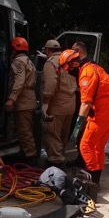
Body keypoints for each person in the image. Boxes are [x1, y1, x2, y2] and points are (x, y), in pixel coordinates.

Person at [59, 49, 109, 186]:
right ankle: (96, 179)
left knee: (85, 145)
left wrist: (77, 127)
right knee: (98, 146)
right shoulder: (95, 67)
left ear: (74, 63)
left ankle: (92, 179)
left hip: (101, 115)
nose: (68, 72)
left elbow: (86, 103)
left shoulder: (86, 74)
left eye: (68, 68)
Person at [40, 39, 77, 168]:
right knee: (63, 135)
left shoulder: (51, 63)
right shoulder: (70, 60)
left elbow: (50, 85)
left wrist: (45, 102)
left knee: (52, 134)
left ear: (47, 50)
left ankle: (56, 163)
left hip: (56, 106)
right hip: (70, 105)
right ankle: (61, 157)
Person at [5, 37, 37, 164]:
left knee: (25, 131)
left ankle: (30, 158)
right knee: (26, 130)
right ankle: (25, 154)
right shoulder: (28, 60)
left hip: (23, 101)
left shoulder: (18, 61)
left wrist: (11, 99)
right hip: (29, 99)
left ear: (15, 49)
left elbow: (19, 81)